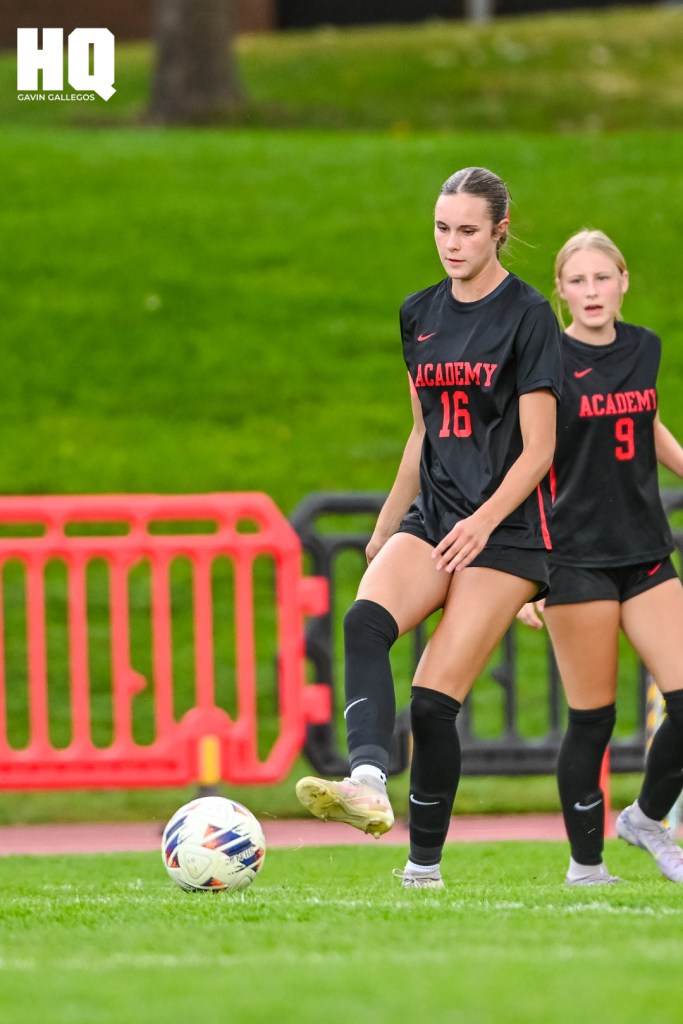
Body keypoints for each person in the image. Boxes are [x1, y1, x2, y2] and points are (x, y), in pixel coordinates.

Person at [296, 166, 563, 888]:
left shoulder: (529, 315)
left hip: (504, 533)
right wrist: (388, 524)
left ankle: (422, 866)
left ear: (499, 230)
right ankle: (366, 780)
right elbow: (422, 433)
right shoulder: (418, 312)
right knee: (363, 622)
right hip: (435, 514)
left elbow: (540, 448)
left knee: (430, 700)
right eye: (442, 228)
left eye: (467, 230)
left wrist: (481, 523)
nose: (451, 242)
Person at [518, 229, 683, 885]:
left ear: (622, 282)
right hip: (573, 557)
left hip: (643, 550)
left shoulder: (643, 347)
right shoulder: (544, 360)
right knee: (593, 718)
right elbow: (520, 464)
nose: (590, 291)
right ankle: (584, 867)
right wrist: (524, 575)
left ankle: (645, 817)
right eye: (577, 280)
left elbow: (644, 422)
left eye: (601, 277)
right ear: (560, 290)